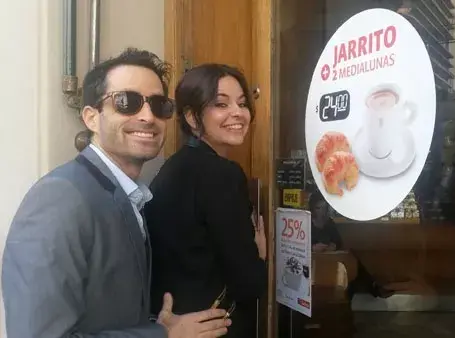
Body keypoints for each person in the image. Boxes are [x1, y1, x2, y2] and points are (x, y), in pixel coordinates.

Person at [1, 49, 231, 338]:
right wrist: (163, 336)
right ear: (91, 118)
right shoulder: (60, 199)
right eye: (127, 102)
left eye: (159, 105)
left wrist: (155, 325)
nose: (148, 116)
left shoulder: (127, 195)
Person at [145, 64, 267, 337]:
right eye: (221, 104)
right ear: (191, 116)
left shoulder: (172, 168)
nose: (238, 113)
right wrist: (259, 255)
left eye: (242, 103)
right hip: (211, 327)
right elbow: (248, 283)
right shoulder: (222, 174)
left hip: (172, 319)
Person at [308, 191, 395, 298]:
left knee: (353, 259)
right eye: (318, 208)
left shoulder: (329, 222)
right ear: (312, 209)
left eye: (324, 208)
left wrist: (333, 246)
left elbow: (338, 241)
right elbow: (300, 243)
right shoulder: (307, 222)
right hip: (313, 262)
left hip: (330, 258)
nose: (322, 212)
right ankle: (370, 287)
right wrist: (312, 247)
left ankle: (372, 286)